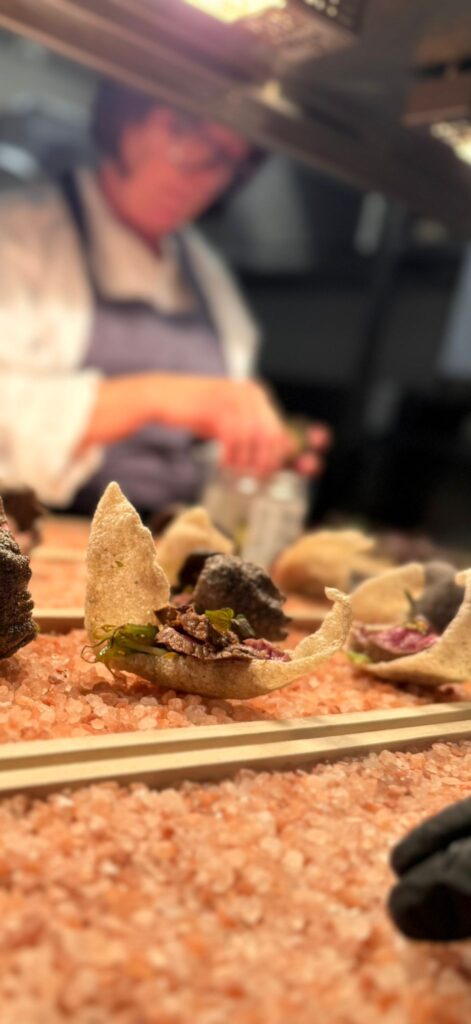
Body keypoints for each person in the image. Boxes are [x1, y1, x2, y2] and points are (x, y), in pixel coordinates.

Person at [0, 81, 328, 516]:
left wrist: (263, 446)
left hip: (167, 540)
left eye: (226, 160)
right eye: (183, 132)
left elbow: (220, 422)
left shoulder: (209, 274)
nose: (202, 173)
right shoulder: (17, 237)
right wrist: (157, 397)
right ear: (125, 121)